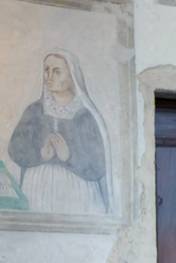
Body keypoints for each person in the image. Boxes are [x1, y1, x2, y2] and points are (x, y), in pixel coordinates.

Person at [9, 49, 111, 214]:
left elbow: (98, 164)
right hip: (36, 188)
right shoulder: (35, 110)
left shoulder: (86, 116)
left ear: (72, 77)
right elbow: (15, 148)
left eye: (57, 71)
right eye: (46, 70)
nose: (48, 76)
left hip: (78, 191)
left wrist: (69, 156)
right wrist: (40, 154)